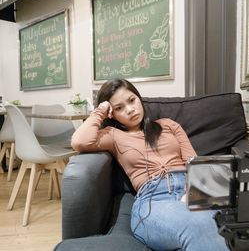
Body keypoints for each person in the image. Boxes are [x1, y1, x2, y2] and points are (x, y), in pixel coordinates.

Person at [71, 79, 229, 251]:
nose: (130, 110)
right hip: (153, 201)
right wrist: (100, 110)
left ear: (139, 98)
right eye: (119, 108)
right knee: (201, 225)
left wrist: (193, 193)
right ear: (112, 114)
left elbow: (195, 163)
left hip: (189, 191)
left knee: (214, 225)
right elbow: (79, 141)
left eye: (132, 100)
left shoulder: (168, 125)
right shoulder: (113, 135)